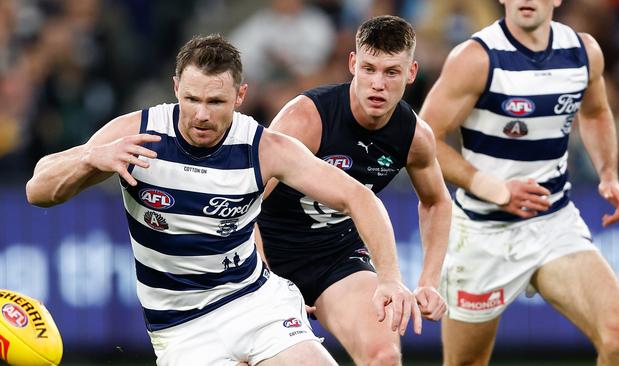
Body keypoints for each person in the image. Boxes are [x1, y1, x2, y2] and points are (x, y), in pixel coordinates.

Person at [25, 34, 421, 366]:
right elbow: (38, 189)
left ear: (240, 96)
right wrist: (87, 158)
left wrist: (389, 278)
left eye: (215, 102)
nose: (200, 115)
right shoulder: (136, 133)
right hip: (180, 326)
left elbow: (359, 198)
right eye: (192, 98)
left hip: (254, 301)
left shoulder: (263, 148)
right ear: (176, 86)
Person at [418, 0, 619, 365]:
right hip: (484, 233)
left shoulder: (583, 52)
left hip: (553, 223)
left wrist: (609, 174)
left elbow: (596, 112)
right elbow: (423, 141)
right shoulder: (477, 57)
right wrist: (496, 189)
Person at [256, 15, 452, 365]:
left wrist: (429, 281)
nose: (378, 84)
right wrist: (267, 283)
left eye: (391, 72)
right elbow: (245, 204)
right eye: (369, 68)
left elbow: (436, 202)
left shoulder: (413, 136)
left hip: (337, 256)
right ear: (352, 65)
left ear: (411, 73)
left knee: (384, 357)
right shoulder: (307, 119)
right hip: (266, 255)